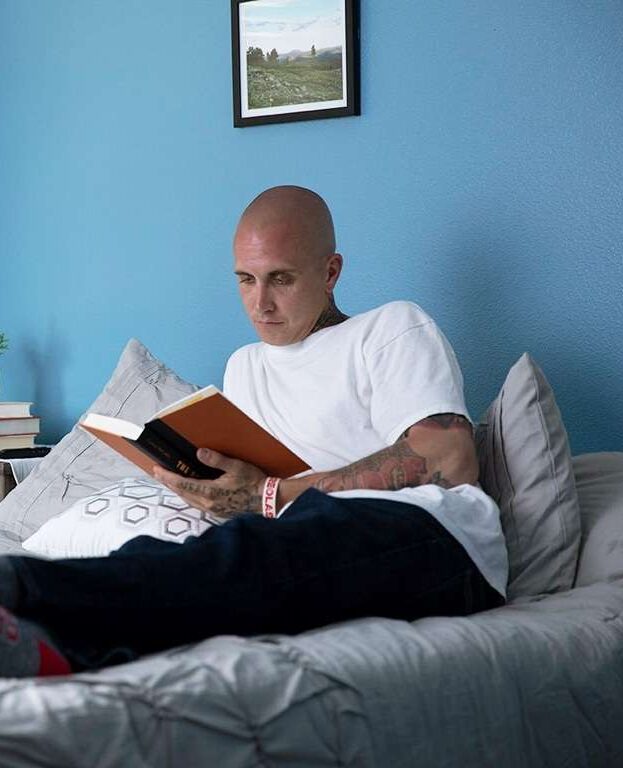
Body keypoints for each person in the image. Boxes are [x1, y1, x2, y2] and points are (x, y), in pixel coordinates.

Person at [0, 186, 508, 677]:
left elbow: (448, 458)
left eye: (280, 279)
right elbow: (247, 497)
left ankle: (17, 589)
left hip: (434, 538)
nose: (259, 303)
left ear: (331, 272)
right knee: (195, 562)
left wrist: (271, 494)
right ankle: (50, 647)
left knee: (253, 558)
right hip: (290, 534)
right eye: (245, 279)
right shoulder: (245, 366)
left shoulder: (390, 328)